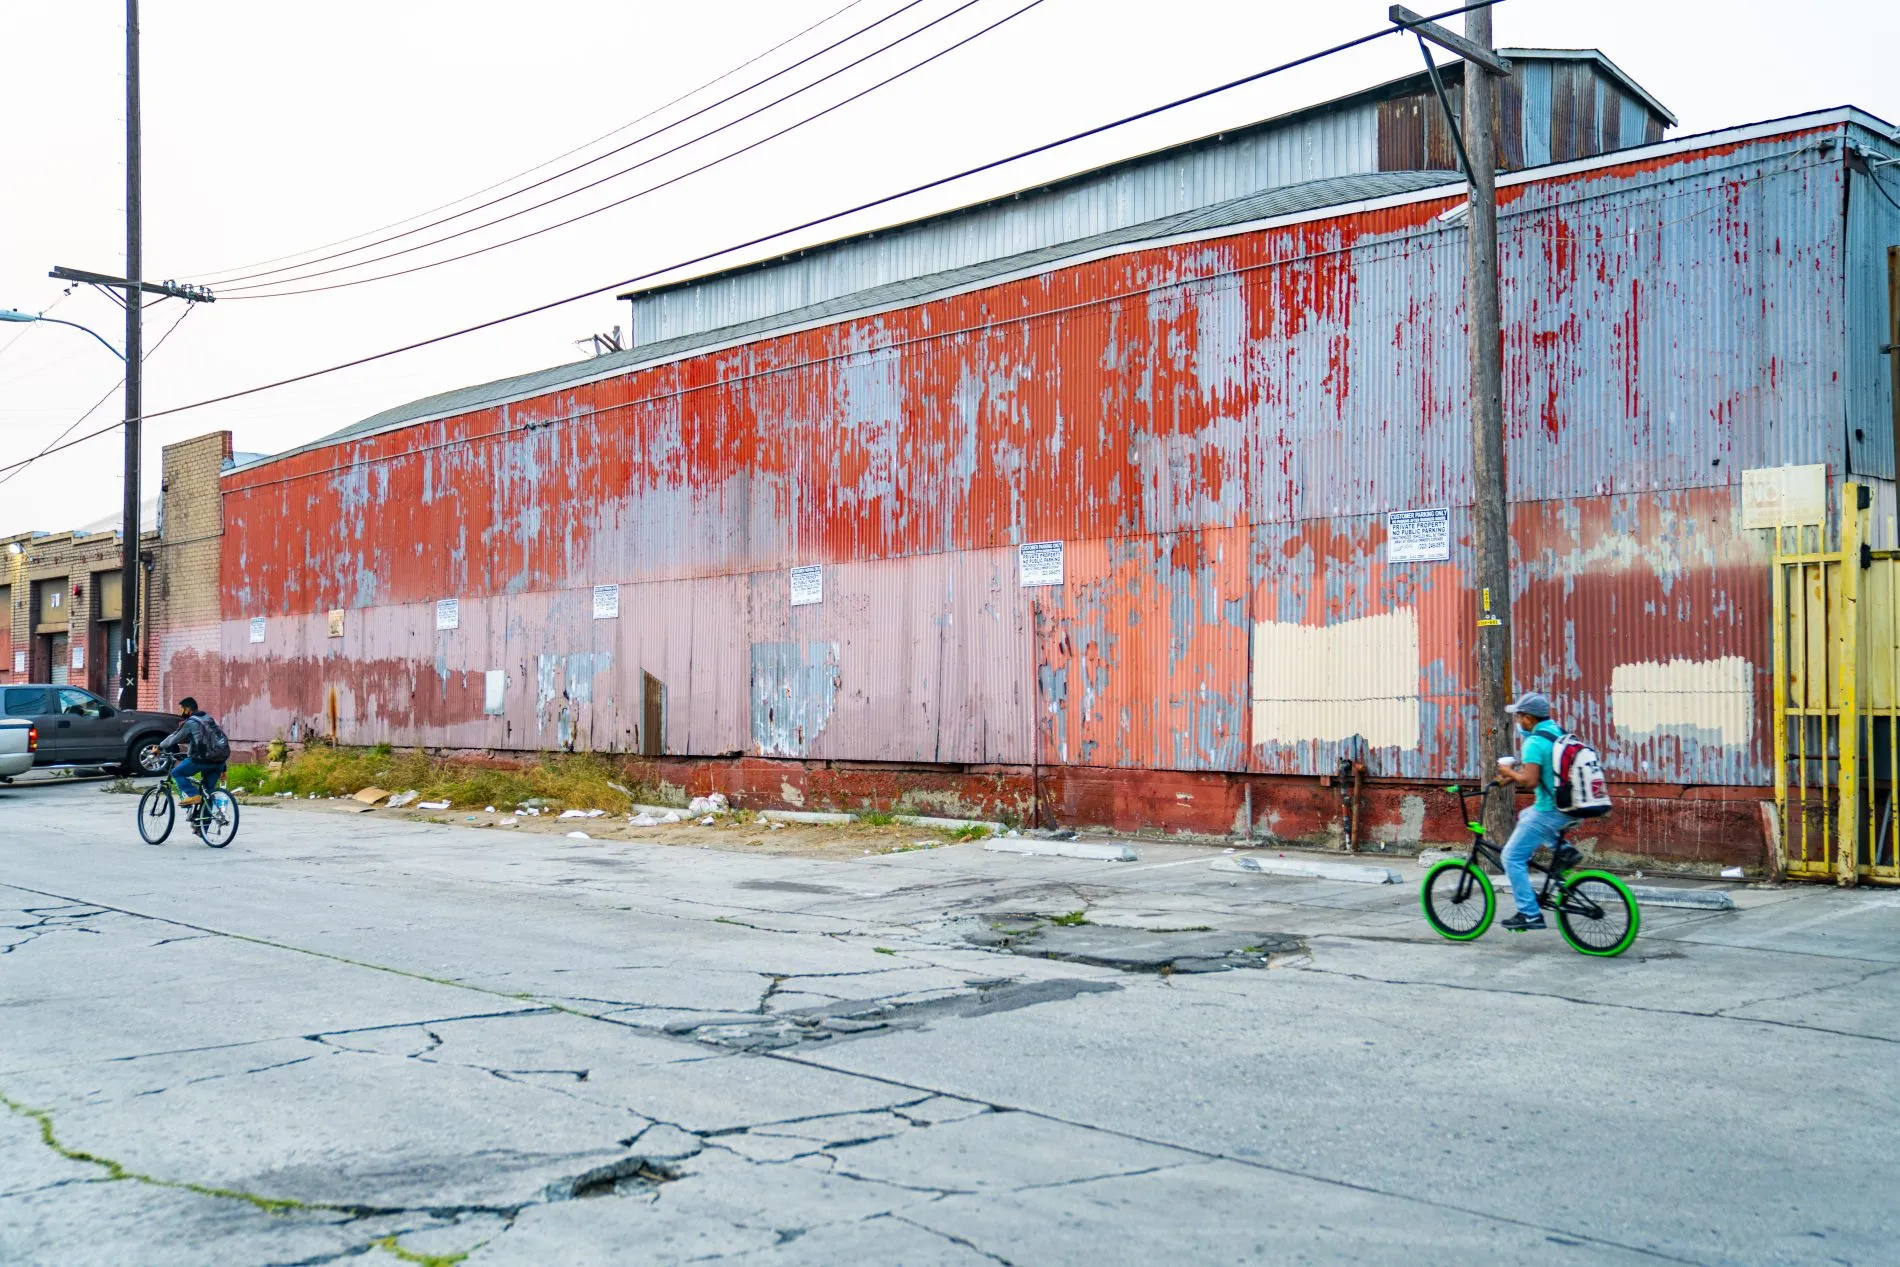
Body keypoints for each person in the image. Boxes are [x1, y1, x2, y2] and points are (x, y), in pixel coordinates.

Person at [1491, 690, 1568, 932]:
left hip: (1550, 809)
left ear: (1528, 718)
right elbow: (1541, 773)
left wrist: (1508, 773)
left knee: (1511, 857)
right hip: (1570, 804)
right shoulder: (1556, 732)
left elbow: (1531, 781)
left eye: (1519, 716)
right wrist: (1514, 778)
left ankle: (1529, 913)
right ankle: (1564, 851)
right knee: (1525, 816)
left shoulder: (1534, 742)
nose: (1518, 722)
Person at [160, 697, 225, 810]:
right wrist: (224, 767)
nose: (181, 712)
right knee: (207, 794)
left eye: (182, 709)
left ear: (188, 709)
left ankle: (193, 794)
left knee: (176, 773)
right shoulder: (209, 719)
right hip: (219, 761)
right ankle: (202, 826)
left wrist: (159, 747)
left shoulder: (191, 722)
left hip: (201, 760)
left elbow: (175, 737)